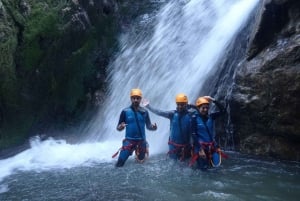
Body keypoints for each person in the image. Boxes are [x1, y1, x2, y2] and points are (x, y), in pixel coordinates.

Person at [142, 93, 196, 161]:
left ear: (186, 104)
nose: (180, 106)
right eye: (178, 104)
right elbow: (159, 112)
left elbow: (201, 112)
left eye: (182, 104)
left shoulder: (190, 115)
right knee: (174, 164)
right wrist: (148, 106)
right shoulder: (172, 114)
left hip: (186, 147)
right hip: (174, 147)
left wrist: (192, 106)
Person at [114, 88, 157, 167]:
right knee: (119, 164)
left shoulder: (145, 112)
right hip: (129, 141)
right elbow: (118, 127)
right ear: (131, 99)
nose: (136, 100)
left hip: (141, 142)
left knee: (141, 166)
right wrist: (121, 127)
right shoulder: (125, 111)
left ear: (140, 99)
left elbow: (148, 126)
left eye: (138, 98)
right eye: (134, 98)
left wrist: (153, 127)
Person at [189, 96, 226, 170]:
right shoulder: (194, 118)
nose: (205, 109)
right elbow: (193, 134)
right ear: (198, 108)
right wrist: (200, 149)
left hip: (212, 146)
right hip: (200, 147)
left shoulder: (211, 116)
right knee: (203, 169)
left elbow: (223, 111)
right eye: (203, 108)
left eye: (207, 107)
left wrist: (213, 100)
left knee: (216, 167)